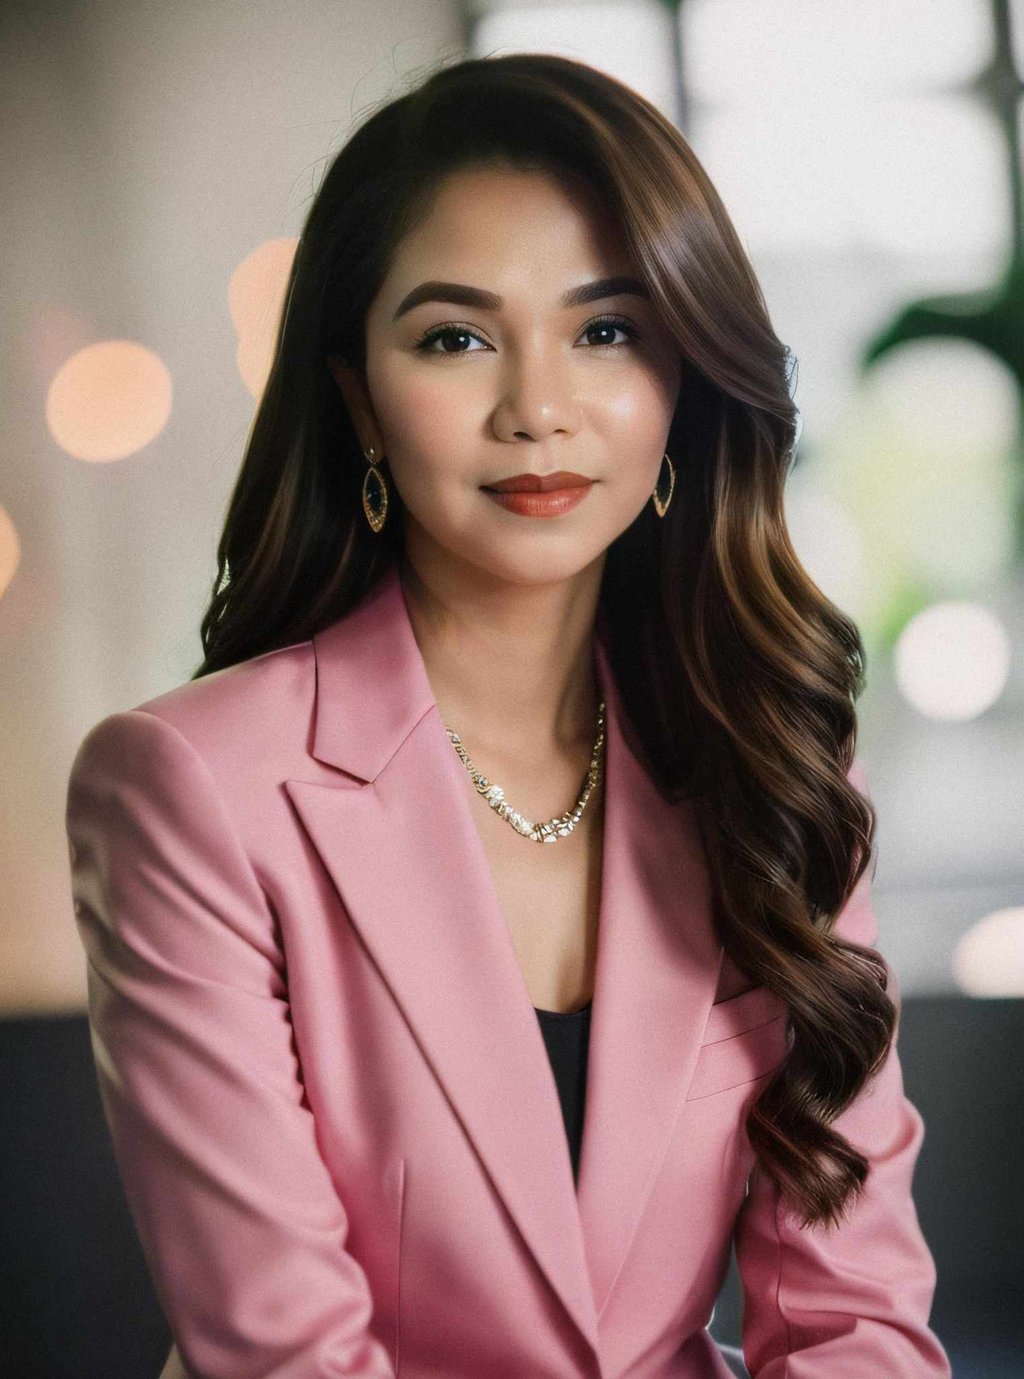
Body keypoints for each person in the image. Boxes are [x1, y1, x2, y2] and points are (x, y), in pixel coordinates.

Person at [65, 52, 952, 1379]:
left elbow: (856, 1317)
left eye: (608, 331)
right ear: (359, 396)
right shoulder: (191, 787)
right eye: (456, 338)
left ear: (683, 377)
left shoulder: (770, 755)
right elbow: (285, 1354)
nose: (538, 410)